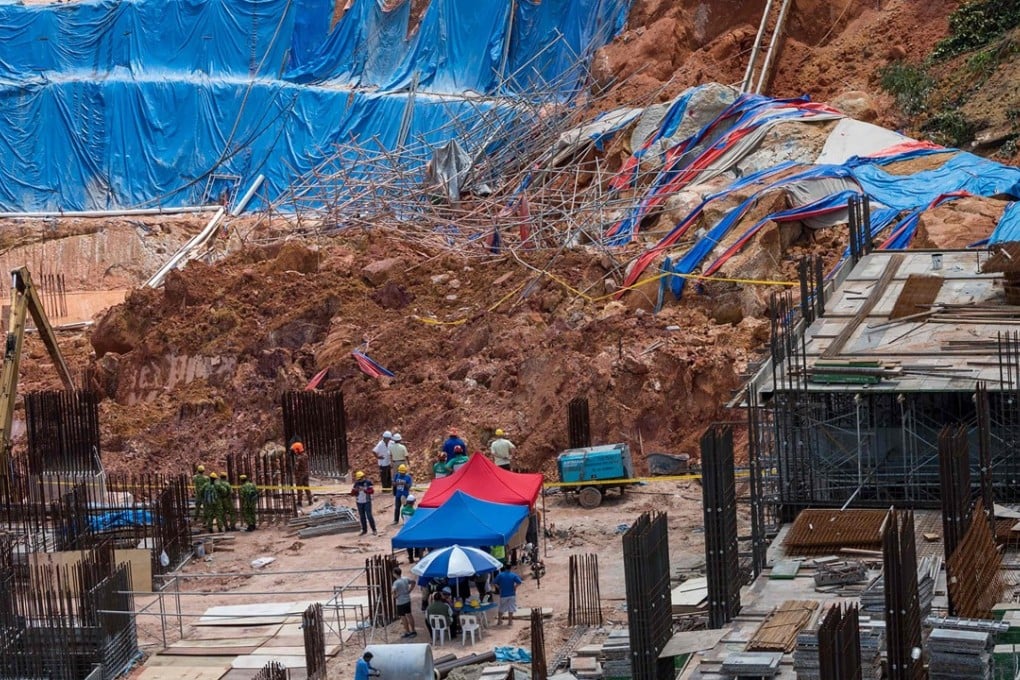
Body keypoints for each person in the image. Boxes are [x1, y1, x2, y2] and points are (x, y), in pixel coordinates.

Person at [391, 567, 417, 638]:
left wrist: (395, 596)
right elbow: (413, 582)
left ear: (395, 574)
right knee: (409, 615)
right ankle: (413, 631)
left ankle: (407, 631)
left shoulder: (396, 582)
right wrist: (410, 590)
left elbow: (393, 590)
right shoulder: (405, 579)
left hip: (400, 602)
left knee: (403, 617)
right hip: (407, 600)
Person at [351, 471, 377, 536]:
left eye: (360, 479)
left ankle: (374, 529)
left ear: (363, 477)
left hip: (367, 501)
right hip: (359, 502)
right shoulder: (356, 484)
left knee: (369, 516)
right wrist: (355, 491)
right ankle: (364, 530)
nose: (359, 481)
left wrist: (364, 490)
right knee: (362, 516)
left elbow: (371, 491)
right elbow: (352, 493)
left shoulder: (368, 483)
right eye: (358, 479)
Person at [289, 441, 313, 506]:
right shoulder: (305, 455)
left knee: (299, 489)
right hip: (306, 473)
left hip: (300, 475)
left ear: (297, 449)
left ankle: (299, 502)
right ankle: (310, 500)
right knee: (307, 487)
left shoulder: (299, 458)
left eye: (295, 450)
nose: (294, 452)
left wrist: (294, 472)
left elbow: (296, 467)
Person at [400, 495, 423, 562]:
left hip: (405, 528)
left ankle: (410, 558)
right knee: (416, 540)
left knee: (409, 543)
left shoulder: (403, 510)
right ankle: (417, 554)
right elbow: (415, 520)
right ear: (413, 502)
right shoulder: (413, 511)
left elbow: (402, 517)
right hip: (412, 528)